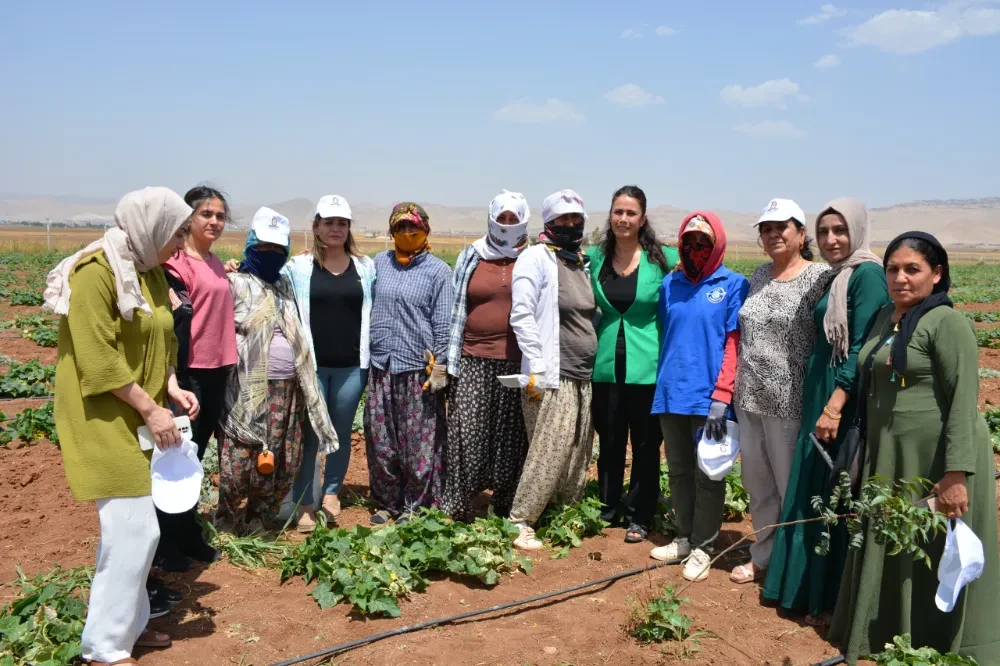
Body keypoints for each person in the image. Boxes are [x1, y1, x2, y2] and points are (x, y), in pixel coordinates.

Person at [828, 232, 1000, 665]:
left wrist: (956, 473)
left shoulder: (947, 323)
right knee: (894, 537)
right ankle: (887, 631)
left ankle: (940, 640)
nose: (900, 278)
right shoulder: (889, 316)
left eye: (912, 269)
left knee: (934, 547)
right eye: (893, 269)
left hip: (936, 457)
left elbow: (963, 401)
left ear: (937, 273)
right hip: (892, 453)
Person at [46, 186, 198, 664]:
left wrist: (170, 386)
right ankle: (104, 648)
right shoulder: (95, 272)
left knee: (138, 529)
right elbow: (98, 358)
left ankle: (128, 626)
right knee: (132, 530)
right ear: (151, 226)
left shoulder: (148, 272)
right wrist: (151, 410)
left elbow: (161, 336)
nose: (180, 242)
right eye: (176, 232)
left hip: (135, 410)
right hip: (101, 414)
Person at [763, 198, 890, 625]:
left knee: (830, 485)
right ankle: (800, 589)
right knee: (812, 484)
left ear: (857, 230)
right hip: (821, 388)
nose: (831, 239)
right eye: (824, 231)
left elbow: (861, 346)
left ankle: (824, 597)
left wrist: (835, 404)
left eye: (840, 230)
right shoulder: (838, 276)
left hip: (839, 394)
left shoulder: (867, 275)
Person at [216, 208, 337, 534]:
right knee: (239, 460)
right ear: (250, 246)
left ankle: (259, 520)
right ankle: (226, 521)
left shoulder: (284, 283)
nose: (269, 255)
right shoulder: (235, 283)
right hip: (247, 389)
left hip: (289, 388)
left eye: (276, 249)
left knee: (284, 458)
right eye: (263, 248)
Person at [729, 199, 830, 583]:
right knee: (758, 483)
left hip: (789, 400)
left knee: (791, 485)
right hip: (749, 397)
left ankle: (793, 563)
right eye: (766, 229)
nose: (772, 234)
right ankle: (764, 554)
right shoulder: (758, 276)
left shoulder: (819, 277)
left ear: (801, 234)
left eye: (781, 227)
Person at [649, 211, 749, 582]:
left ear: (717, 244)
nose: (695, 249)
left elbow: (733, 343)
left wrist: (723, 394)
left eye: (703, 243)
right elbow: (666, 331)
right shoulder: (670, 285)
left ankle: (705, 547)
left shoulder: (734, 284)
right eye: (688, 243)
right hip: (672, 392)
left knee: (709, 474)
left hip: (710, 397)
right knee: (678, 472)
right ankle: (684, 538)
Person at [586, 186, 678, 543]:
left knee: (644, 444)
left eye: (631, 213)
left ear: (642, 219)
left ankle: (640, 514)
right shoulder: (594, 257)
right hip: (606, 364)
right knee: (608, 440)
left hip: (648, 367)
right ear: (610, 215)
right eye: (618, 211)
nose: (623, 218)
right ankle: (607, 508)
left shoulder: (663, 259)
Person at [506, 189, 597, 550]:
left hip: (582, 372)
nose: (570, 224)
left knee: (577, 448)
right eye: (562, 219)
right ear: (548, 222)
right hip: (550, 373)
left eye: (576, 219)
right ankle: (521, 520)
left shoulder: (580, 262)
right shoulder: (535, 258)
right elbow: (522, 314)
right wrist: (539, 366)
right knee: (549, 448)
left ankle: (564, 509)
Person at [153, 186, 236, 572]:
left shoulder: (215, 262)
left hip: (218, 368)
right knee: (178, 459)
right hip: (190, 372)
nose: (214, 222)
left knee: (197, 456)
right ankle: (166, 542)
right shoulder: (176, 264)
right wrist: (176, 377)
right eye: (206, 214)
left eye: (220, 216)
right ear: (188, 219)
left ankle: (186, 533)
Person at [440, 191, 531, 522]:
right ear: (491, 219)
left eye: (513, 219)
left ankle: (505, 505)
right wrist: (445, 360)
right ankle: (460, 505)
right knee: (468, 432)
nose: (507, 224)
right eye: (501, 218)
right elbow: (454, 306)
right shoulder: (471, 256)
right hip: (472, 357)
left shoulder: (533, 258)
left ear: (523, 221)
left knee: (511, 436)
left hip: (517, 361)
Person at [287, 195, 376, 532]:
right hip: (312, 366)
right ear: (317, 227)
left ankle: (332, 493)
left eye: (342, 223)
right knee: (310, 434)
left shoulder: (365, 267)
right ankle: (305, 503)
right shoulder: (297, 268)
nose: (336, 229)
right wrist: (235, 268)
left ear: (349, 228)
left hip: (353, 366)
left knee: (339, 430)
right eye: (329, 223)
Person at [364, 202, 454, 524]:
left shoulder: (439, 272)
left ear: (425, 229)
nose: (406, 233)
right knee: (381, 441)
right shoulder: (379, 264)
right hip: (382, 365)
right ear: (391, 231)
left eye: (412, 226)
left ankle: (416, 506)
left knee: (419, 444)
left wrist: (441, 370)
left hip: (419, 369)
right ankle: (387, 502)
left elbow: (443, 325)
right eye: (399, 227)